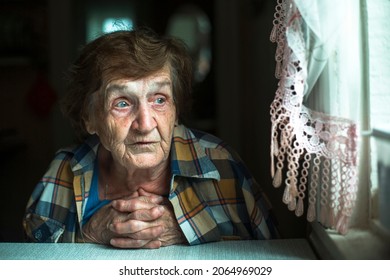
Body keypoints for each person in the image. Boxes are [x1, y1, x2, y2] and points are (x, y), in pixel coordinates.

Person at [23, 27, 278, 249]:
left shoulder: (220, 164)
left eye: (159, 100)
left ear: (176, 110)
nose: (145, 125)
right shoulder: (66, 170)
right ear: (90, 118)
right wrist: (89, 233)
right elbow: (30, 260)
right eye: (122, 103)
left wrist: (188, 230)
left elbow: (274, 255)